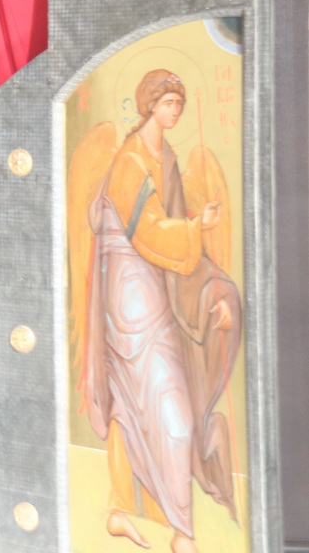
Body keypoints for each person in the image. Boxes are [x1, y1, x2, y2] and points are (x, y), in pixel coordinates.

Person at [75, 70, 240, 553]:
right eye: (168, 102)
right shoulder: (129, 161)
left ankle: (125, 514)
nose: (174, 111)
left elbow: (170, 231)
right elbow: (148, 233)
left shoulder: (163, 157)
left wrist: (216, 290)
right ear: (149, 105)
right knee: (168, 408)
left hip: (151, 287)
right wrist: (194, 228)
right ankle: (179, 532)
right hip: (130, 296)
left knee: (140, 405)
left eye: (179, 104)